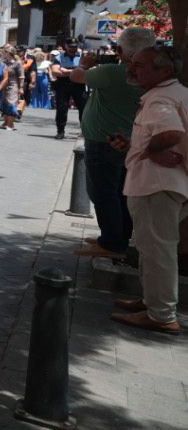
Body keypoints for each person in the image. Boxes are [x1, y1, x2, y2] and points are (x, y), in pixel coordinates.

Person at [114, 45, 188, 335]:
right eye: (134, 63)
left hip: (157, 184)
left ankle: (160, 314)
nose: (132, 69)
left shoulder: (161, 99)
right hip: (166, 182)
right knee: (152, 247)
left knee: (157, 249)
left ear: (164, 71)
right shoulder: (175, 93)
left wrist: (150, 149)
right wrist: (141, 147)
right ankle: (152, 303)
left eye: (141, 65)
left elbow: (171, 133)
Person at [73, 26, 155, 262]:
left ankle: (111, 242)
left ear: (121, 50)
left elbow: (76, 77)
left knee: (102, 192)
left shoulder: (113, 72)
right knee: (121, 192)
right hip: (130, 140)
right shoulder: (149, 76)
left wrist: (84, 63)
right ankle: (118, 237)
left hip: (104, 141)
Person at [48, 39, 87, 140]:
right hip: (63, 85)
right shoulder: (59, 57)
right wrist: (75, 71)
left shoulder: (82, 57)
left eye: (74, 46)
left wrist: (66, 71)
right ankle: (60, 131)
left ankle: (84, 131)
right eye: (70, 47)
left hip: (79, 84)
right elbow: (55, 71)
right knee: (62, 108)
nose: (72, 49)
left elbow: (87, 70)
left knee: (84, 108)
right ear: (65, 46)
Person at [0, 46, 22, 131]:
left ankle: (11, 124)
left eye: (4, 53)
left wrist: (21, 88)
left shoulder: (17, 63)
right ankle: (5, 122)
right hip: (3, 85)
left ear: (9, 53)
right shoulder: (3, 63)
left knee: (12, 104)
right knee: (5, 104)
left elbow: (21, 76)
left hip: (13, 85)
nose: (2, 54)